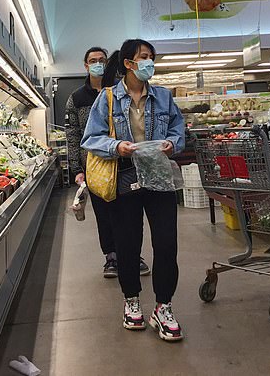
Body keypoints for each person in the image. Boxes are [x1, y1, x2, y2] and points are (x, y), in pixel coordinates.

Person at [81, 39, 185, 342]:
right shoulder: (108, 98)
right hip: (125, 177)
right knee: (128, 244)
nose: (149, 62)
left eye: (151, 57)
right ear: (128, 63)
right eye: (144, 57)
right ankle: (132, 301)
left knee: (167, 243)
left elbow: (179, 131)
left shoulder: (164, 97)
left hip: (159, 178)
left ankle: (163, 306)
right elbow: (91, 137)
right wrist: (117, 146)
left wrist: (172, 143)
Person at [66, 47, 150, 279]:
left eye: (102, 60)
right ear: (85, 65)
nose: (98, 64)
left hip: (126, 163)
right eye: (93, 60)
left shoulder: (119, 90)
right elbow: (72, 135)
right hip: (95, 166)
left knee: (129, 213)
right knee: (104, 214)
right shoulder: (76, 98)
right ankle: (111, 257)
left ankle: (134, 255)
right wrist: (76, 169)